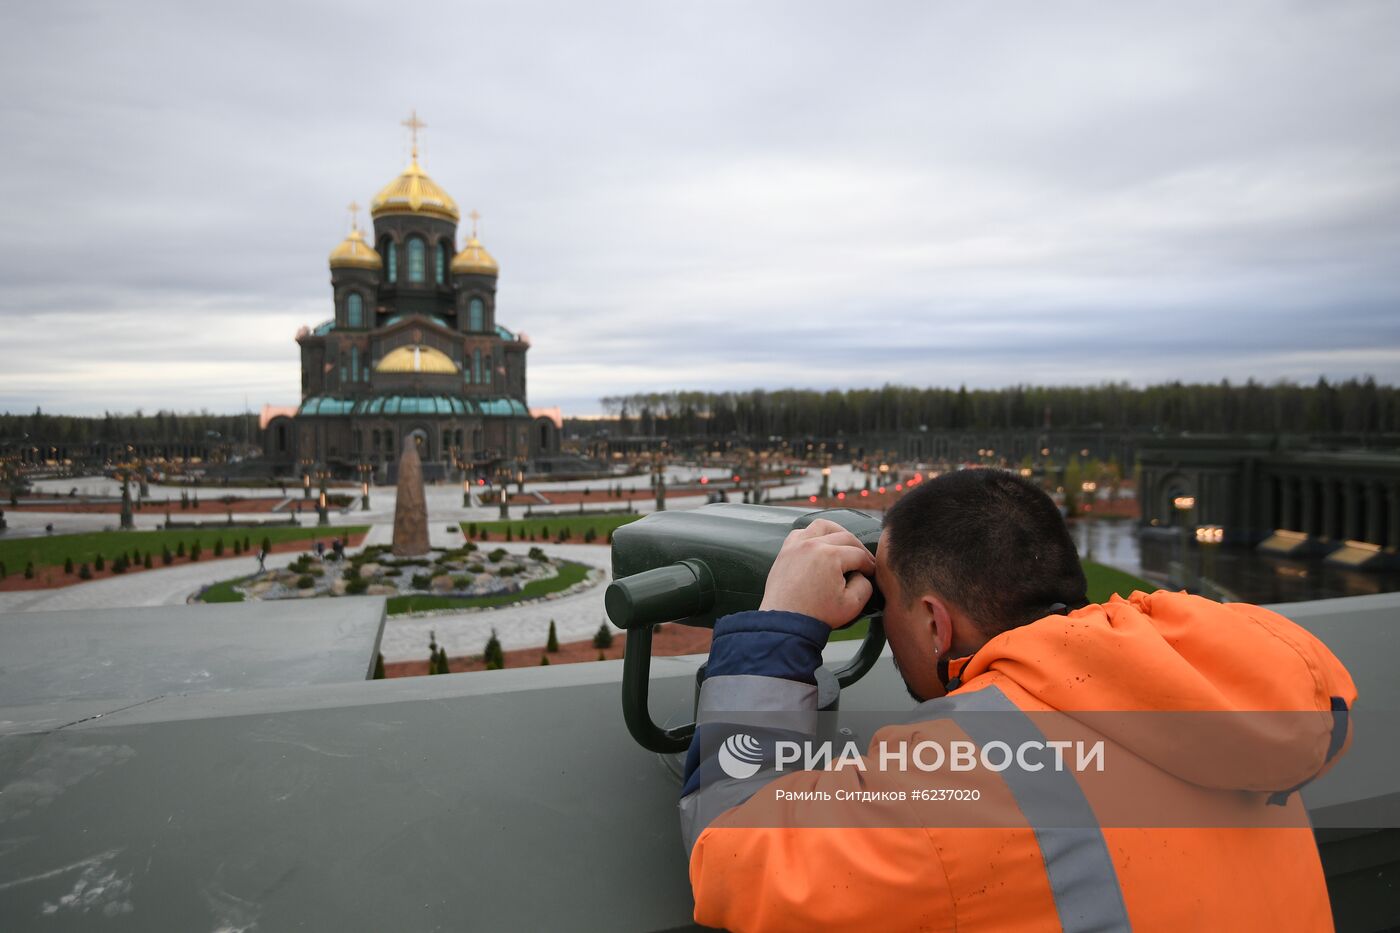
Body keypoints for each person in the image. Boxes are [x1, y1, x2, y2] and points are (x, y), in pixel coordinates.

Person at [681, 469, 1355, 932]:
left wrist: (778, 626)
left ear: (935, 623)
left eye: (886, 603)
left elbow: (731, 855)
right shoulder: (1207, 690)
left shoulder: (970, 771)